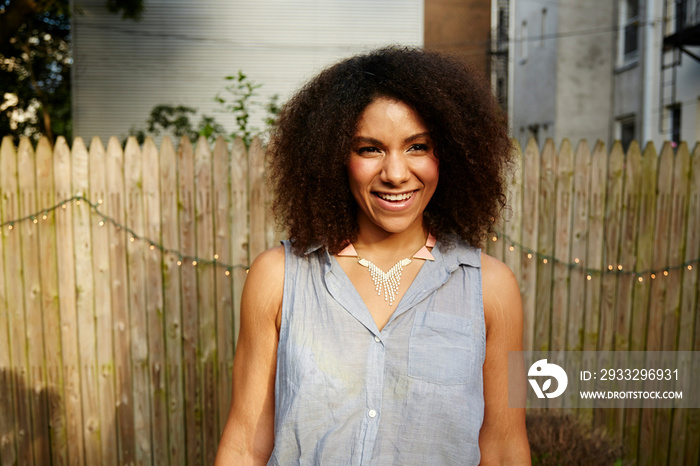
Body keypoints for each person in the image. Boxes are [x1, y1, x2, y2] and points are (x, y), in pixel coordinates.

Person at [215, 46, 530, 465]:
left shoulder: (491, 288)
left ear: (450, 153)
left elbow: (505, 448)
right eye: (370, 149)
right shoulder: (278, 277)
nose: (396, 173)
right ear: (333, 158)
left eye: (417, 146)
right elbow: (244, 446)